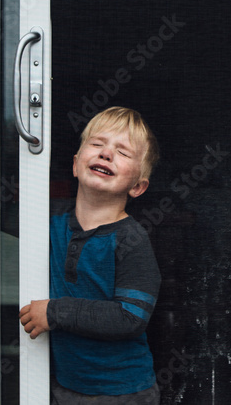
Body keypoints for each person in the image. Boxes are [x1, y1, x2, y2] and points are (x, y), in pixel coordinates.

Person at [19, 106, 162, 405]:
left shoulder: (130, 239)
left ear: (137, 186)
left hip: (122, 393)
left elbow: (130, 317)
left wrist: (55, 312)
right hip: (65, 386)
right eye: (97, 144)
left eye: (122, 152)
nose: (106, 154)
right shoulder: (49, 223)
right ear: (75, 165)